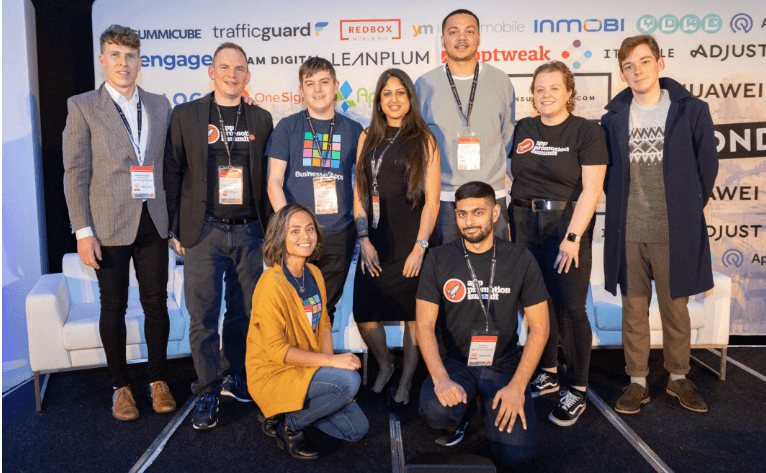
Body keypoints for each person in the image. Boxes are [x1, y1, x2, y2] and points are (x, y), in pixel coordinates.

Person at [63, 24, 176, 421]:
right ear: (103, 60)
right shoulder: (82, 106)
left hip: (153, 221)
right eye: (115, 55)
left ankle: (158, 380)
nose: (123, 63)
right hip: (107, 225)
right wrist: (83, 232)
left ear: (139, 61)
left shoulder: (160, 105)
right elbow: (76, 172)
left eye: (130, 56)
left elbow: (168, 167)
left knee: (156, 304)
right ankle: (120, 387)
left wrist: (174, 225)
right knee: (113, 306)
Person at [601, 35, 719, 414]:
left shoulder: (691, 110)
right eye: (628, 66)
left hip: (672, 231)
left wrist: (685, 211)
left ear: (660, 63)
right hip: (629, 232)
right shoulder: (612, 118)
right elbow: (607, 175)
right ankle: (637, 381)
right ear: (622, 73)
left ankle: (678, 377)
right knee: (633, 310)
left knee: (675, 310)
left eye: (644, 61)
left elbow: (707, 167)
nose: (637, 71)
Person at [164, 42, 273, 430]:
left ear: (248, 76)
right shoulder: (186, 115)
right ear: (212, 72)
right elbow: (172, 172)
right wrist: (175, 228)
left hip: (250, 232)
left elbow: (267, 178)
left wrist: (272, 230)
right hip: (203, 231)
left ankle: (236, 374)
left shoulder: (261, 118)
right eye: (224, 67)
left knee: (245, 313)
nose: (232, 74)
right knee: (204, 316)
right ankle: (207, 389)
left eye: (239, 68)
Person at [416, 182, 549, 470]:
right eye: (462, 214)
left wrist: (518, 386)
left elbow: (540, 327)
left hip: (503, 363)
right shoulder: (438, 258)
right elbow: (423, 325)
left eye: (478, 212)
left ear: (495, 213)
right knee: (436, 410)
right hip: (456, 362)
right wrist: (441, 378)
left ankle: (489, 407)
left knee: (517, 458)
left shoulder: (520, 258)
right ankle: (461, 416)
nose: (469, 221)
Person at [508, 61, 607, 427]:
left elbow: (592, 190)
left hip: (565, 226)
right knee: (538, 305)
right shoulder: (523, 128)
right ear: (532, 95)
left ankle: (577, 388)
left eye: (554, 88)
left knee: (571, 309)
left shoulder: (587, 131)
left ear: (569, 92)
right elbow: (509, 175)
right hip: (523, 224)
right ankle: (548, 371)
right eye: (539, 89)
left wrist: (573, 237)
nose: (546, 95)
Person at [246, 204, 368, 460]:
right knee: (349, 382)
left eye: (310, 229)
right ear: (279, 236)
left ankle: (288, 410)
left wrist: (330, 368)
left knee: (356, 430)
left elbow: (324, 324)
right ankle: (291, 425)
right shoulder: (271, 284)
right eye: (295, 230)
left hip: (307, 366)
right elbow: (278, 351)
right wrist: (331, 364)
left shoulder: (314, 273)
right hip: (276, 372)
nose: (306, 236)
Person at [352, 69, 440, 409]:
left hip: (411, 238)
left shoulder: (424, 139)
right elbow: (359, 191)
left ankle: (405, 381)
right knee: (364, 314)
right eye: (387, 93)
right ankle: (386, 364)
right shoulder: (367, 137)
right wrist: (363, 238)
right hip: (375, 238)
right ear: (378, 100)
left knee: (414, 318)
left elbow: (432, 202)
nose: (393, 99)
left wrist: (420, 247)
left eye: (400, 92)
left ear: (410, 98)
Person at [266, 57, 363, 326]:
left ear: (336, 86)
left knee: (324, 311)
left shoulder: (354, 130)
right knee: (292, 311)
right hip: (297, 236)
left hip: (338, 235)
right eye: (310, 84)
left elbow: (364, 185)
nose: (318, 90)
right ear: (301, 90)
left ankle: (321, 354)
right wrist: (291, 227)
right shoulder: (287, 127)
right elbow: (274, 182)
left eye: (324, 82)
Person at [415, 9, 515, 244]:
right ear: (443, 40)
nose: (461, 38)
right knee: (447, 267)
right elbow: (418, 143)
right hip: (443, 199)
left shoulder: (501, 81)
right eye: (453, 32)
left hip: (492, 196)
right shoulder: (424, 84)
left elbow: (507, 138)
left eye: (469, 31)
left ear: (479, 38)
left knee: (495, 266)